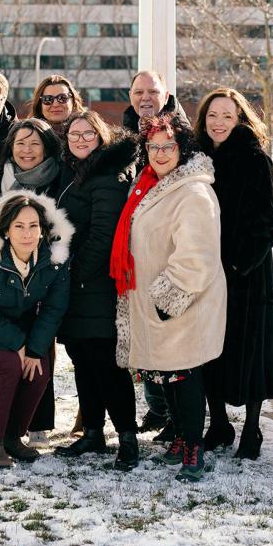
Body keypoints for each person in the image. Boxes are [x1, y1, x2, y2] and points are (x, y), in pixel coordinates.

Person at [110, 113, 226, 483]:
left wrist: (168, 297)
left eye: (168, 146)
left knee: (184, 373)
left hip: (183, 300)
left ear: (182, 149)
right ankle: (180, 436)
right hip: (150, 298)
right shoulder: (149, 184)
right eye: (153, 146)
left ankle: (194, 446)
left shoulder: (192, 192)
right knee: (165, 374)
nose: (160, 153)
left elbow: (197, 255)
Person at [194, 88, 273, 460]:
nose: (219, 123)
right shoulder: (196, 159)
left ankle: (252, 428)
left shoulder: (254, 159)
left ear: (240, 119)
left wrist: (237, 264)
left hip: (247, 276)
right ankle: (218, 424)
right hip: (205, 271)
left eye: (227, 116)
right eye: (212, 115)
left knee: (250, 353)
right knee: (209, 350)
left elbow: (271, 222)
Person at [0, 189, 72, 467]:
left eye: (33, 226)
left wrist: (33, 349)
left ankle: (12, 437)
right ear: (6, 230)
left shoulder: (54, 259)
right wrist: (18, 343)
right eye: (19, 226)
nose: (27, 233)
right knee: (10, 365)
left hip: (24, 326)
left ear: (42, 230)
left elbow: (54, 309)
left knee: (39, 370)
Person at [55, 110, 139, 471]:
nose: (81, 139)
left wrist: (75, 272)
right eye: (74, 134)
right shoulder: (75, 172)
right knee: (82, 361)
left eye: (88, 133)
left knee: (106, 364)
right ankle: (92, 432)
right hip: (75, 286)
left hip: (97, 285)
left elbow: (104, 235)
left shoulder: (107, 176)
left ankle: (128, 439)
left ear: (101, 136)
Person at [0, 117, 63, 439]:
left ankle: (37, 423)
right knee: (5, 357)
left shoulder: (57, 182)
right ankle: (0, 426)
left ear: (46, 148)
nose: (27, 150)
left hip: (43, 278)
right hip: (2, 280)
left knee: (39, 351)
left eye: (35, 144)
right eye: (20, 143)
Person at [122, 69, 189, 440]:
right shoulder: (125, 132)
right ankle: (157, 407)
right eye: (138, 91)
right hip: (136, 251)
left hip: (170, 249)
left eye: (152, 91)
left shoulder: (180, 132)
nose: (145, 97)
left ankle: (178, 418)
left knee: (171, 338)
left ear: (166, 95)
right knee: (144, 332)